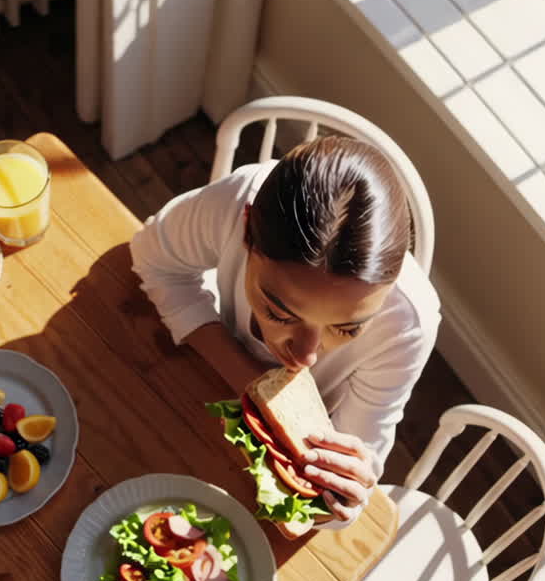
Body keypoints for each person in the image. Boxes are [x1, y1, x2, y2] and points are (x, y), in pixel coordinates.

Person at [130, 136, 441, 528]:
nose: (307, 356)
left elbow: (345, 491)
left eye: (347, 328)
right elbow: (152, 257)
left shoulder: (406, 326)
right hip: (180, 381)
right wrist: (250, 382)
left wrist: (344, 495)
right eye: (280, 313)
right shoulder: (235, 201)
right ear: (246, 232)